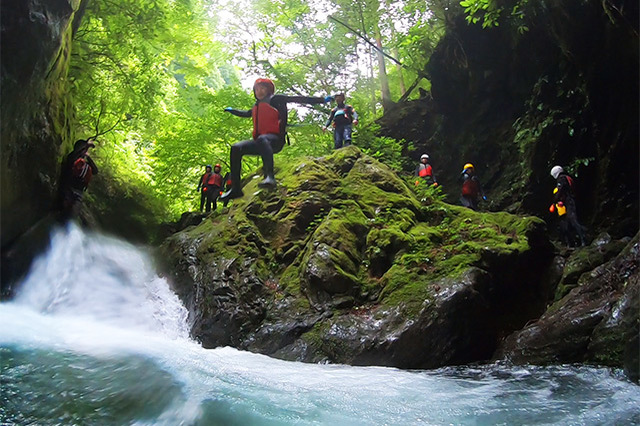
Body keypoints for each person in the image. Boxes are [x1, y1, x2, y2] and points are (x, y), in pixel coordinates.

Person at [220, 78, 332, 201]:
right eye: (256, 89)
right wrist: (232, 111)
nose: (259, 91)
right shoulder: (256, 106)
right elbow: (246, 113)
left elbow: (298, 98)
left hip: (275, 140)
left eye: (262, 88)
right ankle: (235, 189)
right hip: (261, 143)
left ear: (269, 89)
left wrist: (322, 100)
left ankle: (270, 177)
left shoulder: (276, 99)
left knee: (262, 139)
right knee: (236, 148)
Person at [57, 138, 99, 219]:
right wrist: (86, 147)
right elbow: (75, 155)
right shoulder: (73, 158)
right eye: (84, 149)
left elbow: (95, 171)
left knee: (73, 213)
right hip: (69, 189)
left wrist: (88, 157)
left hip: (78, 192)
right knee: (64, 210)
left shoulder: (85, 162)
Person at [550, 165, 586, 246]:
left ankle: (583, 238)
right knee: (568, 222)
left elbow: (560, 191)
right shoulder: (567, 177)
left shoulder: (561, 179)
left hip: (569, 201)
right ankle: (575, 241)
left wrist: (554, 201)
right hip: (570, 200)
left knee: (573, 220)